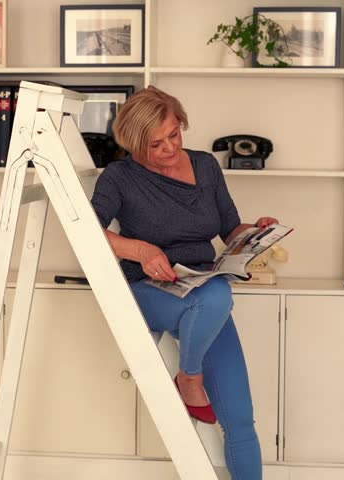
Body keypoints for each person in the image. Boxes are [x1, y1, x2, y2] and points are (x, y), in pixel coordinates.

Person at [90, 85, 277, 480]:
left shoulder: (206, 166)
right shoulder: (120, 176)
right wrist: (139, 250)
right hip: (152, 290)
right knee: (216, 296)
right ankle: (189, 378)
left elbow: (229, 228)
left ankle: (190, 378)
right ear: (134, 145)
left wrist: (254, 233)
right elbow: (86, 231)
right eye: (155, 144)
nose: (169, 149)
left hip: (205, 290)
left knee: (241, 420)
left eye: (174, 135)